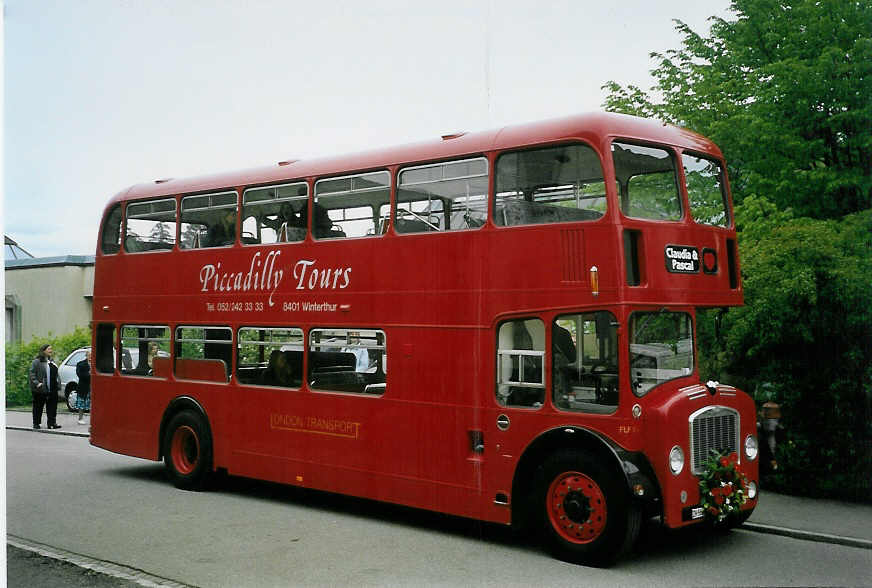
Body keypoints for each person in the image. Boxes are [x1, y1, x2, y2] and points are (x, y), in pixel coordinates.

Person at [28, 343, 61, 429]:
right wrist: (37, 383)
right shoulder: (37, 361)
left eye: (51, 349)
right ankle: (36, 423)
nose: (51, 350)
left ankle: (51, 423)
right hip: (40, 389)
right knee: (38, 407)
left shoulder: (52, 361)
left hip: (52, 388)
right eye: (49, 349)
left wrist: (58, 384)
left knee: (52, 407)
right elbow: (32, 373)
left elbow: (56, 374)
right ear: (43, 351)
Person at [75, 349, 91, 424]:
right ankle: (80, 418)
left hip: (93, 386)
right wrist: (89, 374)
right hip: (83, 386)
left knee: (92, 403)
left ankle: (93, 419)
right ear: (86, 356)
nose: (90, 357)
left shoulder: (97, 364)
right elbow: (80, 374)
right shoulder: (80, 364)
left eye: (92, 355)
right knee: (81, 402)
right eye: (89, 355)